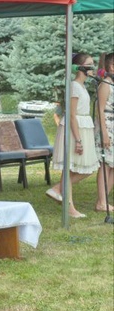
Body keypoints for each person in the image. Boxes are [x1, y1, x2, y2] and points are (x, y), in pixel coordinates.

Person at [47, 53, 100, 218]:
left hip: (83, 126)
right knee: (70, 167)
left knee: (86, 169)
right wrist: (77, 140)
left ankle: (57, 189)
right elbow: (71, 115)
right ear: (80, 67)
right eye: (90, 64)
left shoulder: (82, 86)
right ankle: (69, 208)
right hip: (75, 129)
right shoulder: (75, 86)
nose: (93, 67)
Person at [94, 52, 114, 212]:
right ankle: (101, 201)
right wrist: (104, 133)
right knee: (105, 164)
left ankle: (104, 200)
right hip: (107, 125)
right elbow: (100, 110)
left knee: (113, 165)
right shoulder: (105, 84)